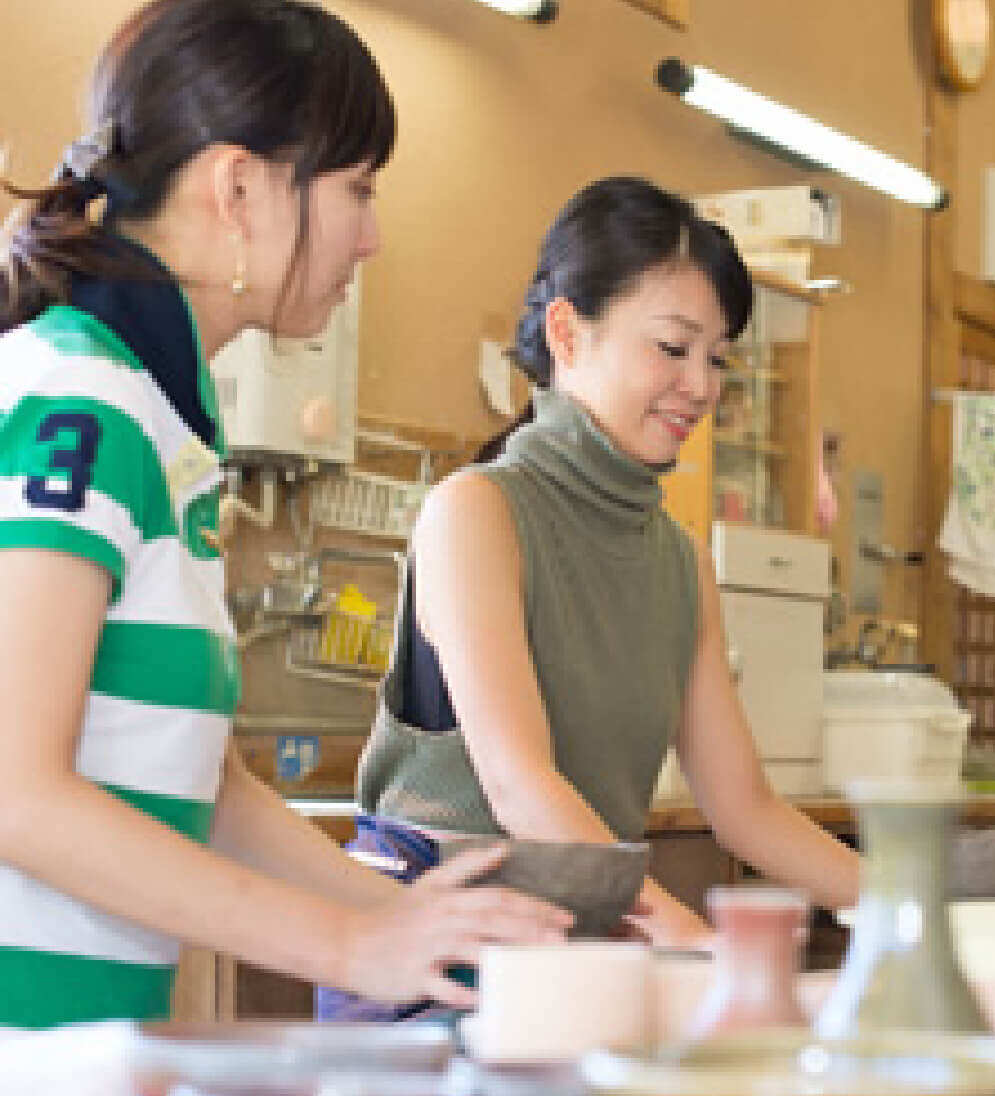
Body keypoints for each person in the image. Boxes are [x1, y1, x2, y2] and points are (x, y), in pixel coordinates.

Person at [0, 0, 573, 1031]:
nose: (370, 236)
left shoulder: (164, 421)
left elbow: (204, 788)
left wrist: (430, 926)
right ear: (237, 186)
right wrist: (350, 946)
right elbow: (13, 788)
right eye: (355, 188)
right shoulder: (75, 403)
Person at [332, 176, 860, 1017]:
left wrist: (915, 910)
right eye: (673, 347)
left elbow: (747, 809)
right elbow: (518, 783)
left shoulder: (680, 564)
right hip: (436, 968)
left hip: (584, 958)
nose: (701, 385)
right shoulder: (477, 511)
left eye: (716, 357)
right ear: (568, 334)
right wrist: (690, 942)